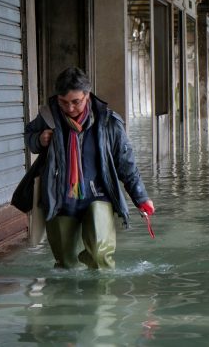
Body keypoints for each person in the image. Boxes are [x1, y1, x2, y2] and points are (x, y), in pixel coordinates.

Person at [24, 67, 155, 269]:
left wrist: (141, 198)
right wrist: (39, 140)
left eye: (75, 102)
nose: (69, 108)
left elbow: (126, 163)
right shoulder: (48, 117)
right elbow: (29, 137)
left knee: (100, 257)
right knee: (65, 263)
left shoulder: (108, 121)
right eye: (63, 102)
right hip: (60, 197)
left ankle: (101, 298)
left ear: (87, 95)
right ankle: (67, 300)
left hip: (98, 195)